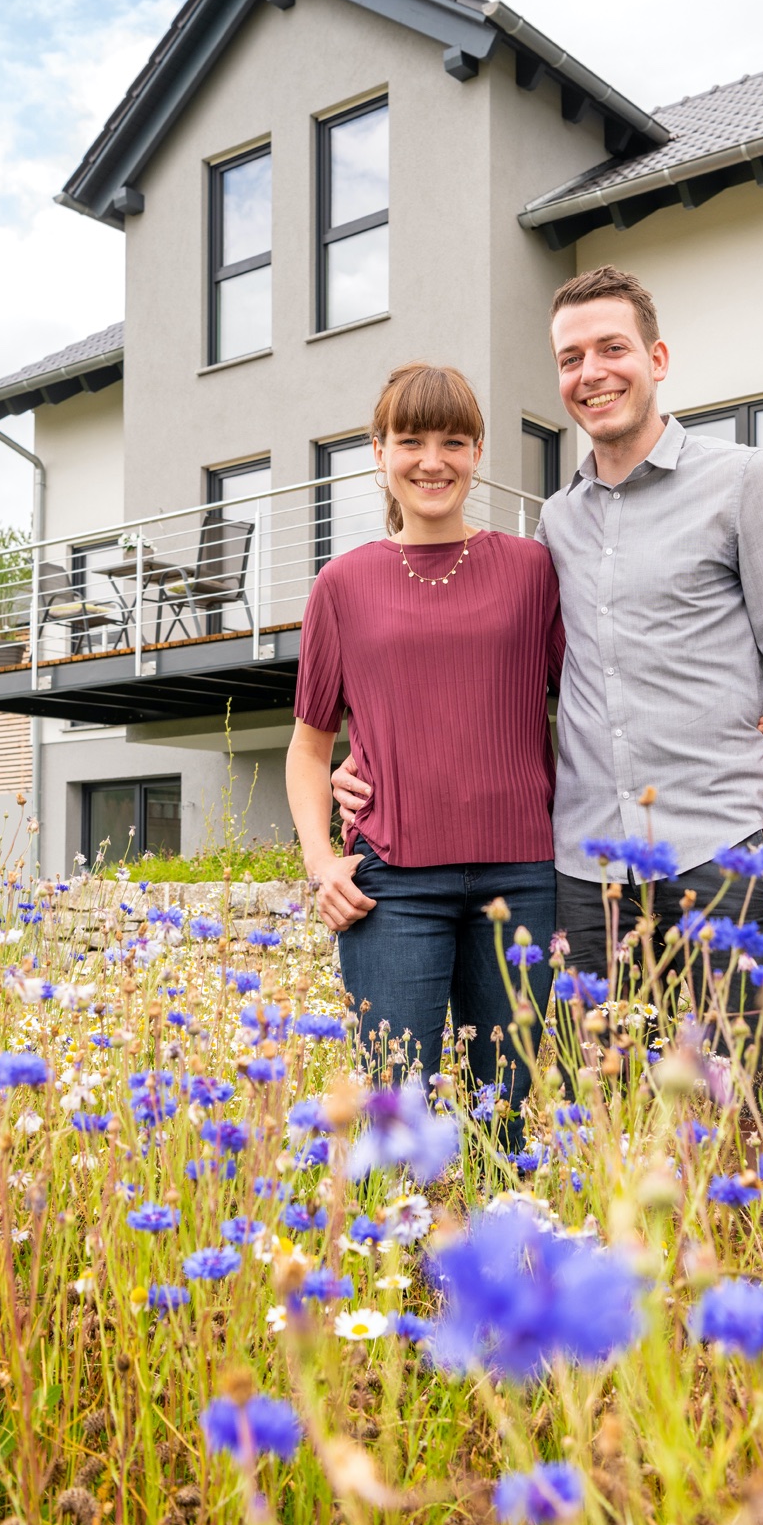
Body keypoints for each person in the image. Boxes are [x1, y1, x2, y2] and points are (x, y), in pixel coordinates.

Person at [334, 265, 763, 1038]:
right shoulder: (556, 525)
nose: (591, 372)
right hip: (586, 882)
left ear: (658, 358)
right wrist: (374, 758)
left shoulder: (744, 482)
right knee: (605, 1125)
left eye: (612, 348)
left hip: (724, 857)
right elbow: (511, 681)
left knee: (746, 1113)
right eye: (571, 358)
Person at [285, 361, 561, 1109]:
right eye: (410, 439)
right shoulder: (340, 584)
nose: (432, 460)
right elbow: (310, 748)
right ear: (378, 451)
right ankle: (401, 1231)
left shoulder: (534, 570)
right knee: (395, 1118)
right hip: (391, 887)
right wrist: (321, 863)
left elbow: (596, 703)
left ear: (477, 452)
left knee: (502, 1117)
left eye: (453, 440)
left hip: (523, 879)